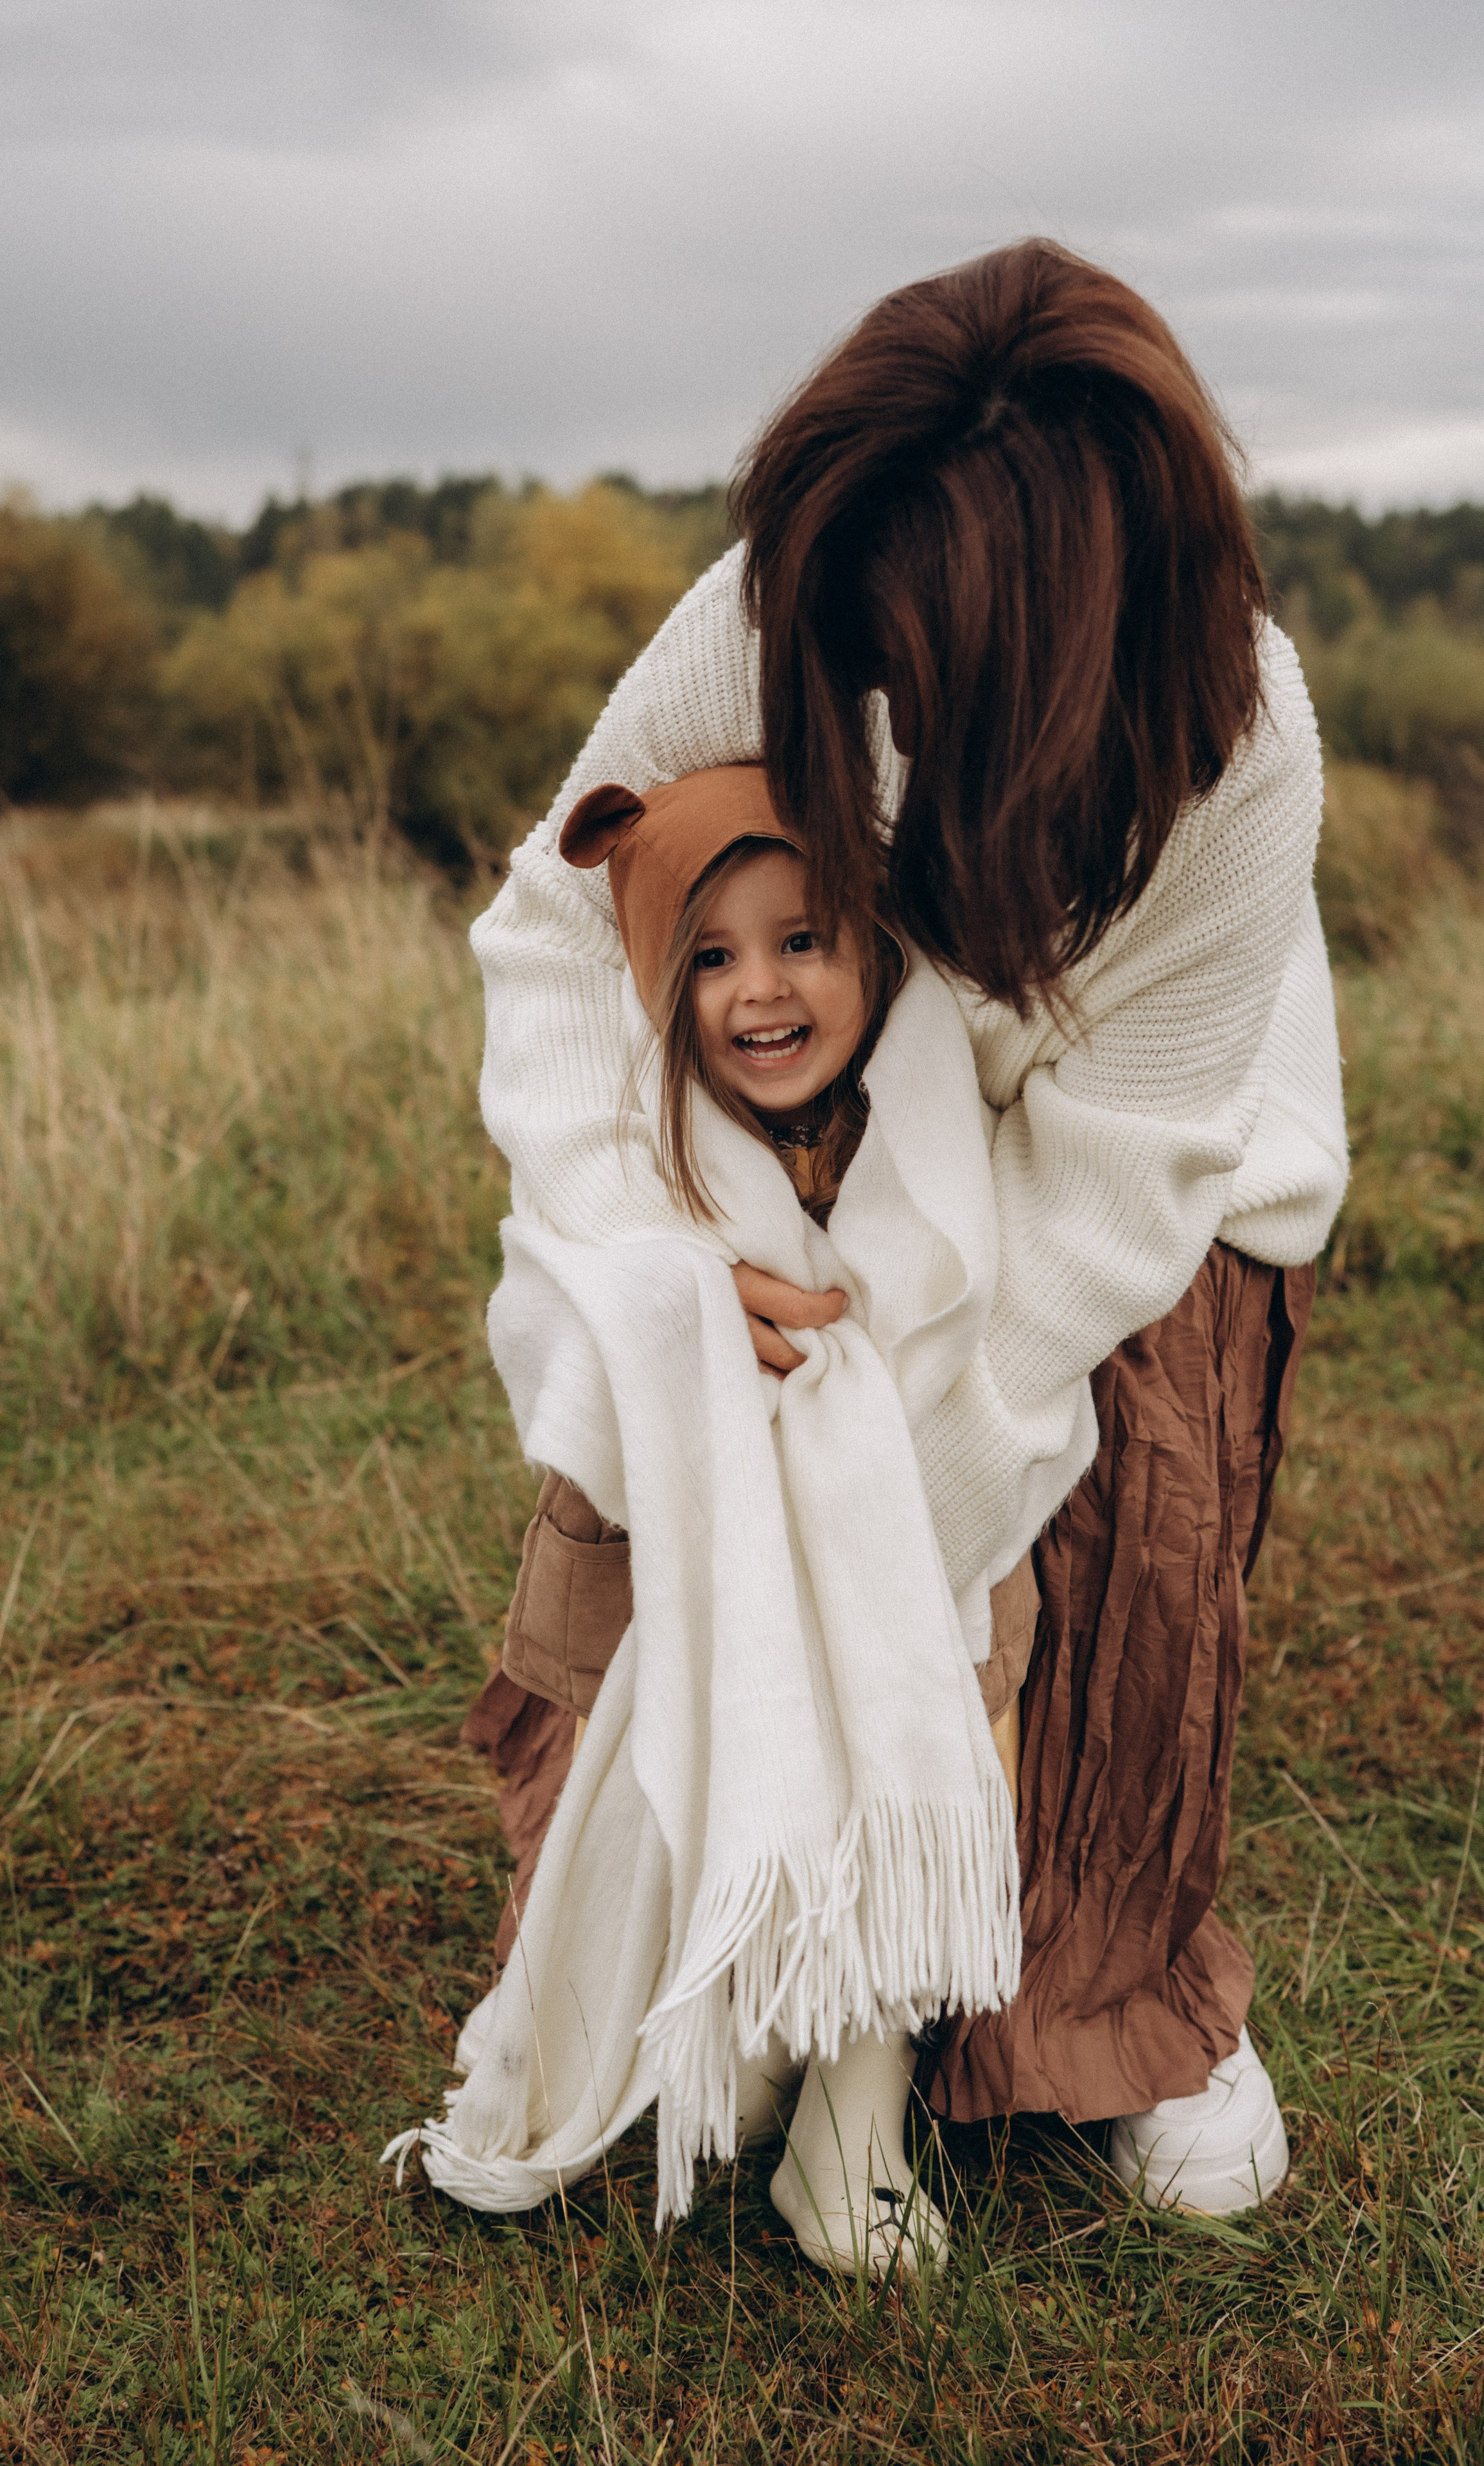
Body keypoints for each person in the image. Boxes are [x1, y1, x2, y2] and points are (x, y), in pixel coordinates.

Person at [455, 238, 1347, 2229]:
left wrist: (869, 1513)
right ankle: (686, 1938)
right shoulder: (787, 599)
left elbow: (1107, 1194)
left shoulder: (1239, 751)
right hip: (814, 1129)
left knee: (1095, 1505)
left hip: (1138, 1173)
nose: (868, 696)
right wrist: (665, 1259)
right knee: (681, 1417)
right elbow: (561, 926)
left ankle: (1096, 1997)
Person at [393, 759, 1084, 2273]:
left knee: (921, 1757)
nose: (757, 991)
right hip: (672, 1542)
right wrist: (676, 1313)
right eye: (707, 957)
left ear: (873, 946)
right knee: (687, 1767)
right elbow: (555, 1307)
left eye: (801, 941)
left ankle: (854, 2123)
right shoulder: (631, 1149)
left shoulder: (930, 1109)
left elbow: (1000, 1272)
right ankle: (728, 2027)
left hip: (914, 1527)